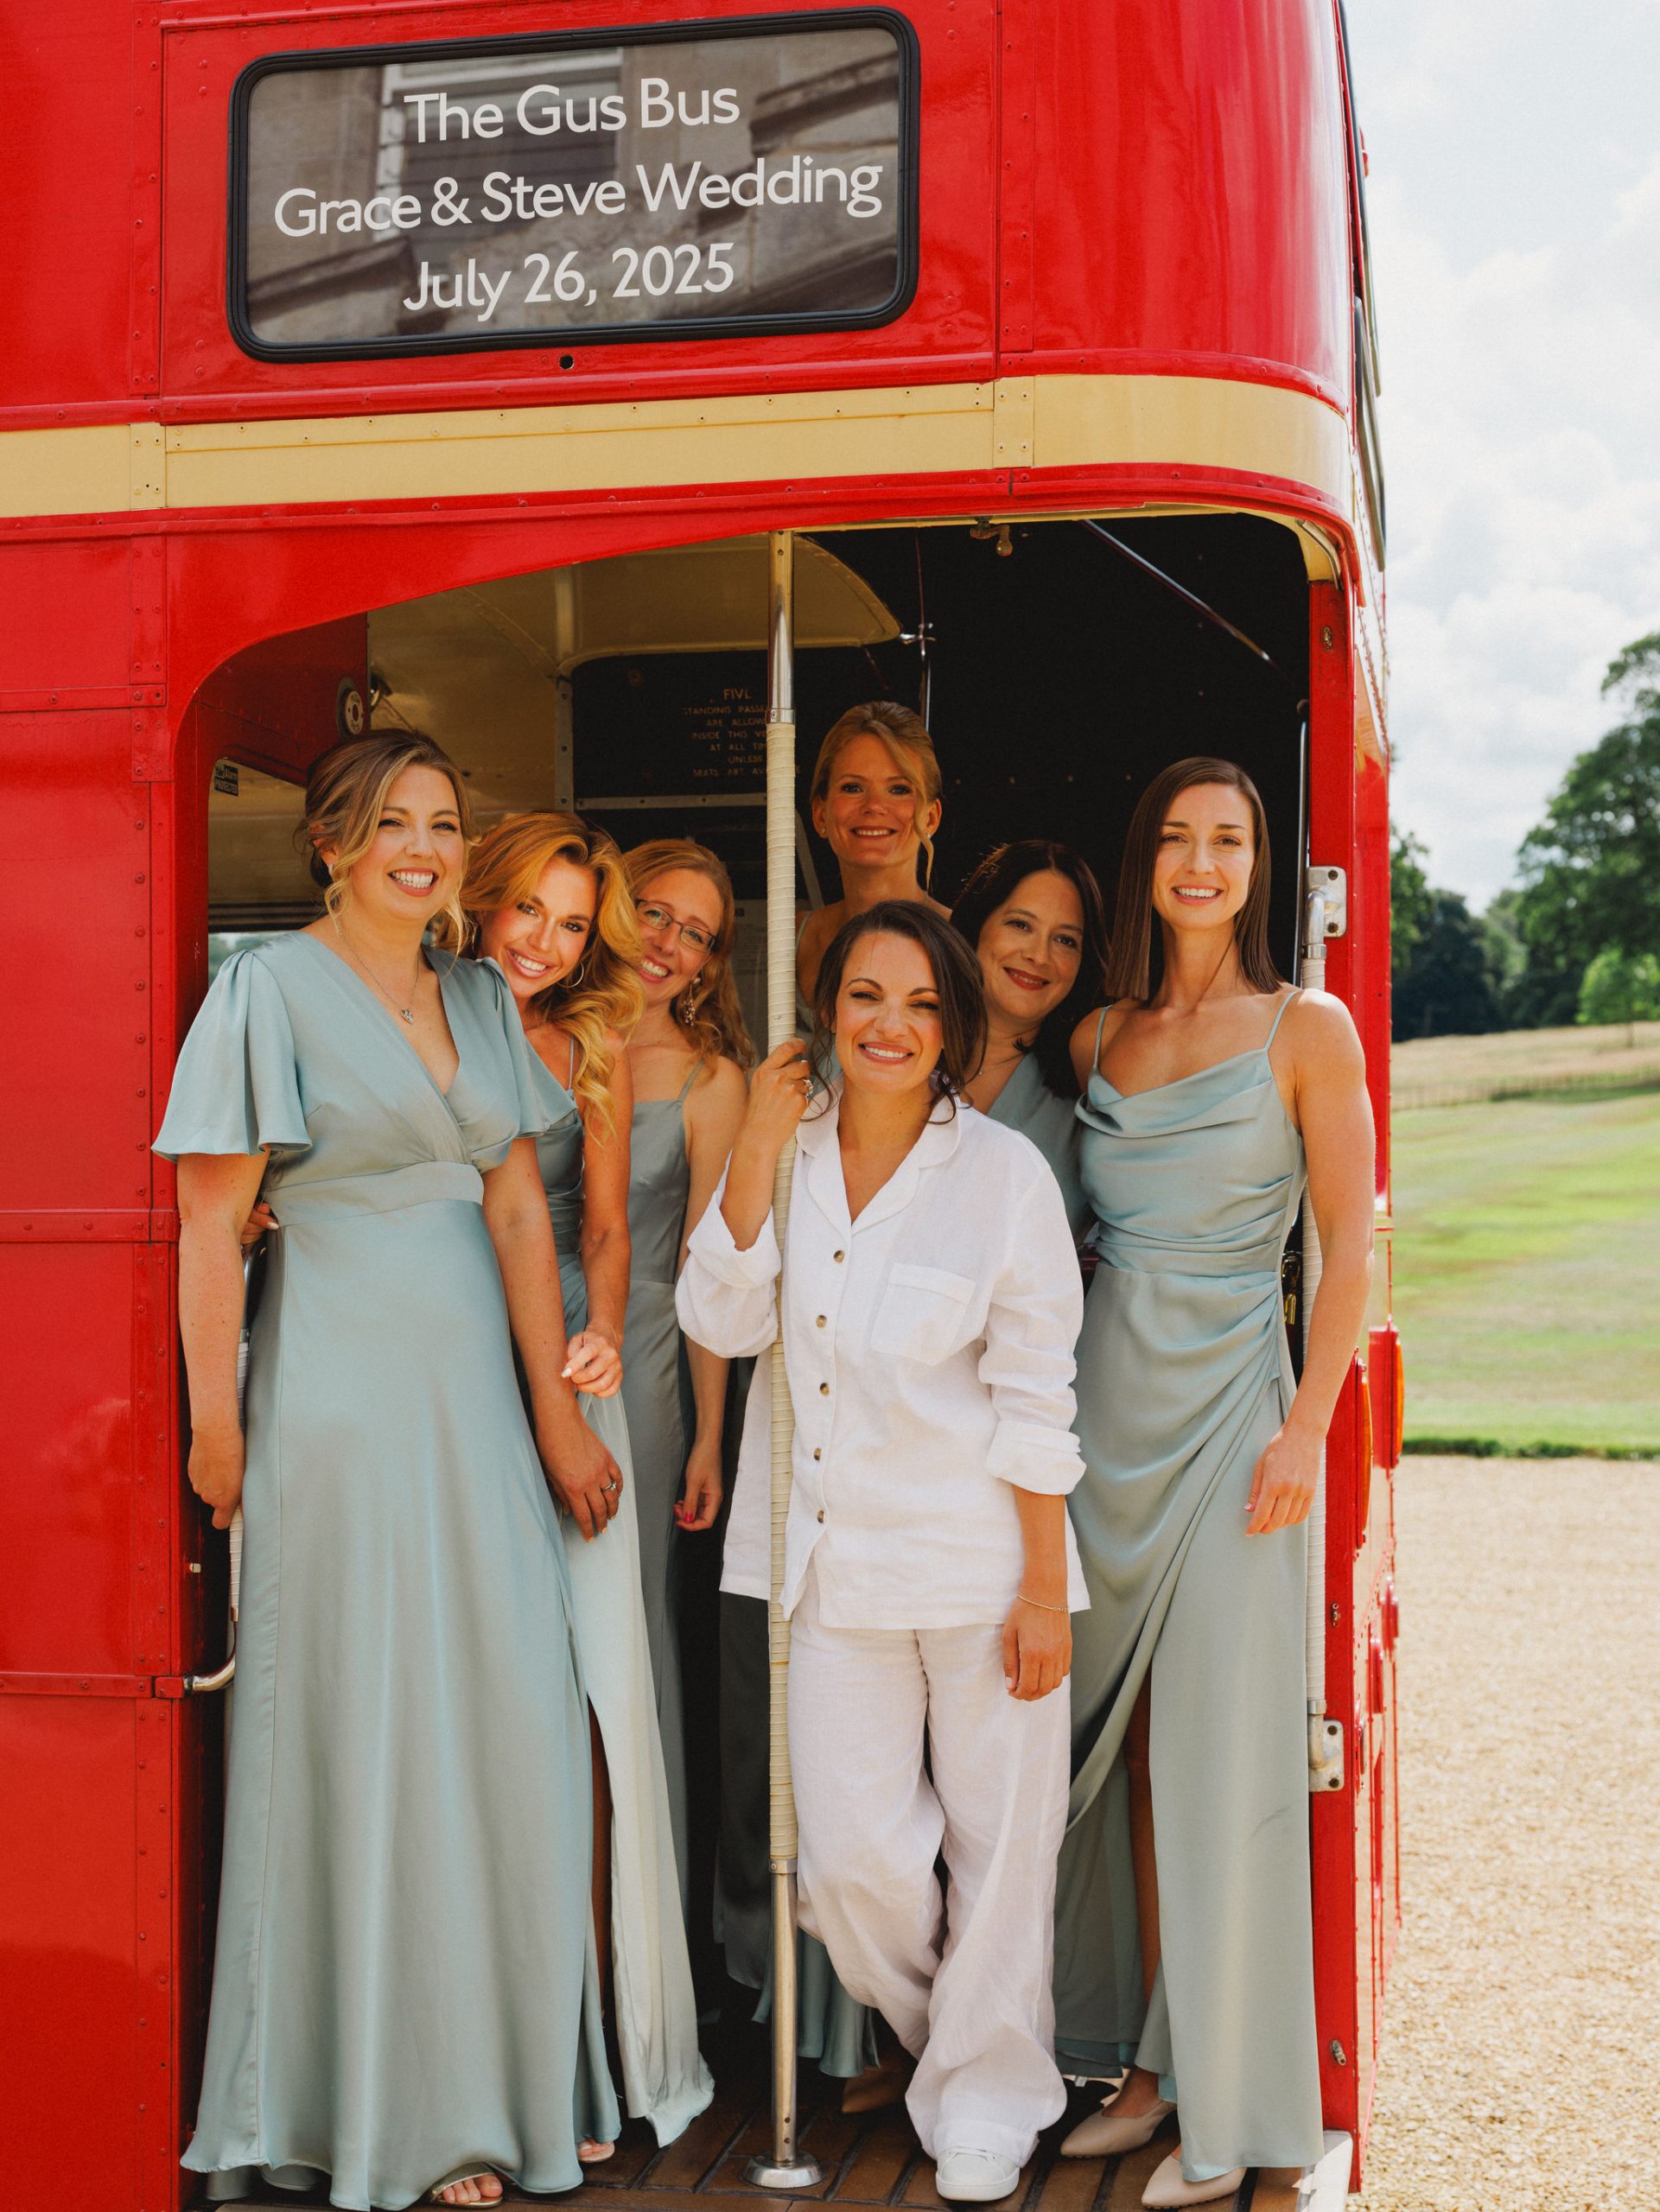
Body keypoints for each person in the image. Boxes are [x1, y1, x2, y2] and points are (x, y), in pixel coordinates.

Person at [158, 733, 619, 2210]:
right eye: (393, 822)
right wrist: (217, 1431)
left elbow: (521, 1215)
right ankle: (393, 2118)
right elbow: (211, 1223)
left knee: (506, 1721)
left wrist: (554, 1418)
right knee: (370, 1735)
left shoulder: (479, 996)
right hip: (337, 1409)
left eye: (444, 822)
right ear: (333, 842)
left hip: (475, 1408)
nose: (423, 847)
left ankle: (505, 2082)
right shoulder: (266, 993)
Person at [678, 900, 1087, 2206]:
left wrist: (1043, 1592)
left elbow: (1036, 1397)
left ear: (953, 1023)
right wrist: (753, 1141)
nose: (890, 1026)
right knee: (851, 1863)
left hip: (983, 1565)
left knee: (1000, 1848)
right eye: (866, 996)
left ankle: (988, 2103)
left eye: (919, 1004)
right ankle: (954, 2049)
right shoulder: (786, 1145)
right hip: (828, 1566)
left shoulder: (1003, 1178)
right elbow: (719, 1320)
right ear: (828, 1009)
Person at [1054, 760, 1375, 2209]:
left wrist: (1305, 1429)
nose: (1202, 861)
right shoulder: (1093, 1037)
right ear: (1147, 859)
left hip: (1239, 1431)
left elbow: (1350, 1249)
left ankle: (1232, 2106)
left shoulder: (1308, 1028)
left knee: (1221, 1759)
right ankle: (1140, 2067)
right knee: (1114, 1755)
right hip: (1095, 1435)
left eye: (1230, 840)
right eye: (1178, 837)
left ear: (1258, 866)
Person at [462, 812, 714, 2152]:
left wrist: (603, 1337)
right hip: (442, 1357)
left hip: (564, 1356)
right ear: (479, 899)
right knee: (481, 1705)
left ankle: (605, 2051)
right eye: (528, 912)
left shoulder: (589, 1041)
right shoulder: (415, 1017)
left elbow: (607, 1227)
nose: (545, 945)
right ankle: (492, 2048)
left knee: (598, 1701)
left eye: (570, 926)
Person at [616, 840, 751, 1920]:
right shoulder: (523, 1024)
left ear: (710, 963)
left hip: (645, 1363)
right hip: (500, 1343)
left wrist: (708, 1432)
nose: (667, 942)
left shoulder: (711, 1078)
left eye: (695, 933)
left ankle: (647, 1921)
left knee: (633, 1618)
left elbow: (712, 1269)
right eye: (654, 912)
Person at [952, 838, 1110, 1241]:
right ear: (977, 925)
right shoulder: (899, 1045)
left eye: (1065, 940)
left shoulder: (1091, 1096)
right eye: (1021, 925)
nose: (1039, 955)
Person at [795, 701, 948, 1014]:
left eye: (899, 789)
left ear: (931, 818)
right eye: (853, 787)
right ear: (820, 814)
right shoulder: (790, 938)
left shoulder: (966, 939)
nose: (874, 806)